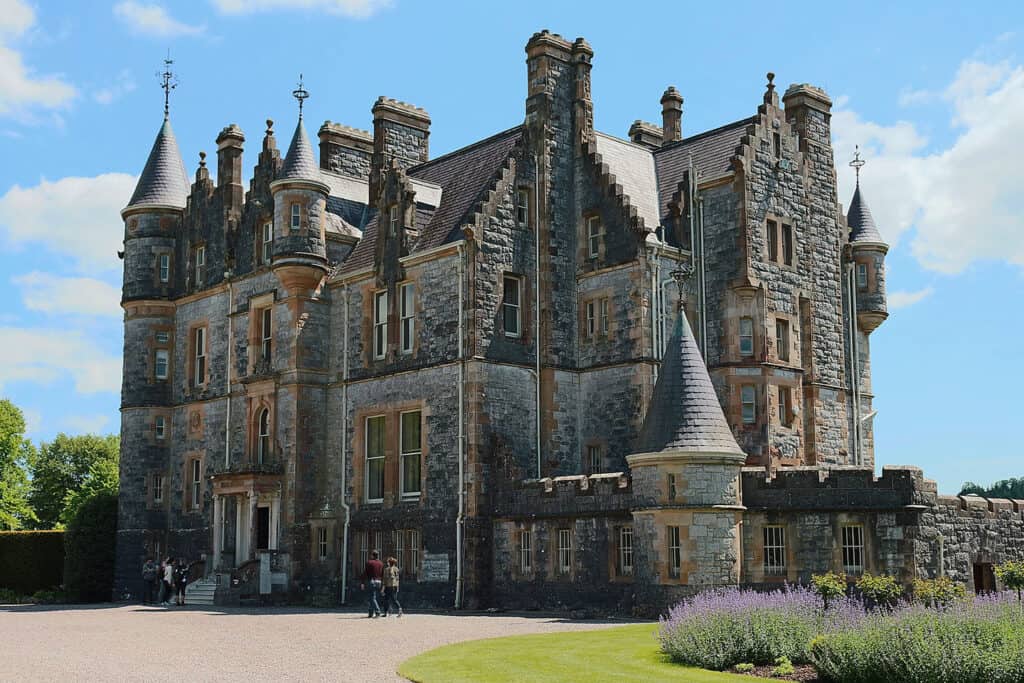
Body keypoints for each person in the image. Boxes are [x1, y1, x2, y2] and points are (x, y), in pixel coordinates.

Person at [360, 549, 384, 618]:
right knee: (373, 597)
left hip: (372, 581)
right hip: (379, 582)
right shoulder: (381, 563)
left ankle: (377, 611)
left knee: (372, 597)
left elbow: (365, 573)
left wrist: (362, 582)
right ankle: (370, 613)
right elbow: (382, 574)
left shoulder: (369, 563)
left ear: (372, 555)